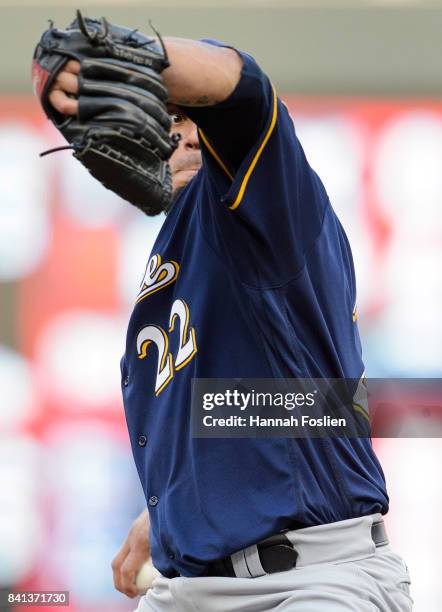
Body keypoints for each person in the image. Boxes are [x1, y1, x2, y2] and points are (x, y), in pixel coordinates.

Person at [49, 35, 412, 611]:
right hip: (189, 586)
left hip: (312, 582)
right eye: (171, 121)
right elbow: (290, 404)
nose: (188, 133)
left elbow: (243, 90)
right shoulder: (182, 254)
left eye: (197, 117)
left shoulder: (271, 201)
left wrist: (143, 55)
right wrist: (188, 508)